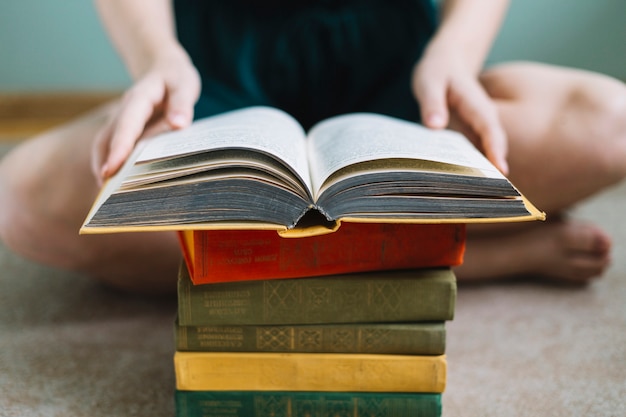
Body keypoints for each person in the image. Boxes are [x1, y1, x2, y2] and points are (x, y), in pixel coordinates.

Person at [0, 0, 624, 294]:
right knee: (23, 203)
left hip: (398, 64)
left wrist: (455, 53)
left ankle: (278, 259)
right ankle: (460, 258)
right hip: (211, 69)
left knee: (611, 125)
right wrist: (157, 58)